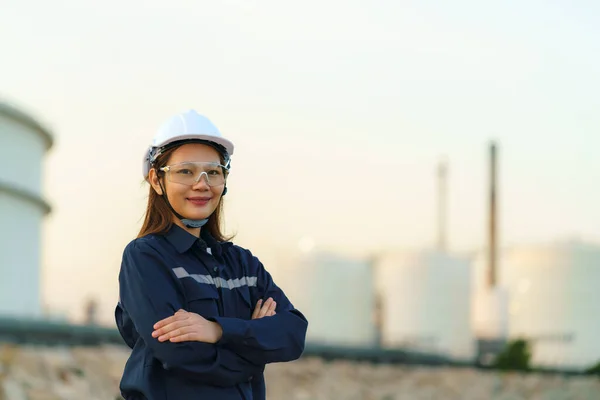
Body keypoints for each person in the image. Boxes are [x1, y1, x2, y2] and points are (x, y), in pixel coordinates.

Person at [115, 110, 308, 400]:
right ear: (156, 180)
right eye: (185, 171)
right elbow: (179, 354)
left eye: (213, 172)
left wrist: (218, 331)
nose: (201, 184)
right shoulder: (146, 257)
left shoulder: (244, 265)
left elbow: (292, 334)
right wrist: (253, 352)